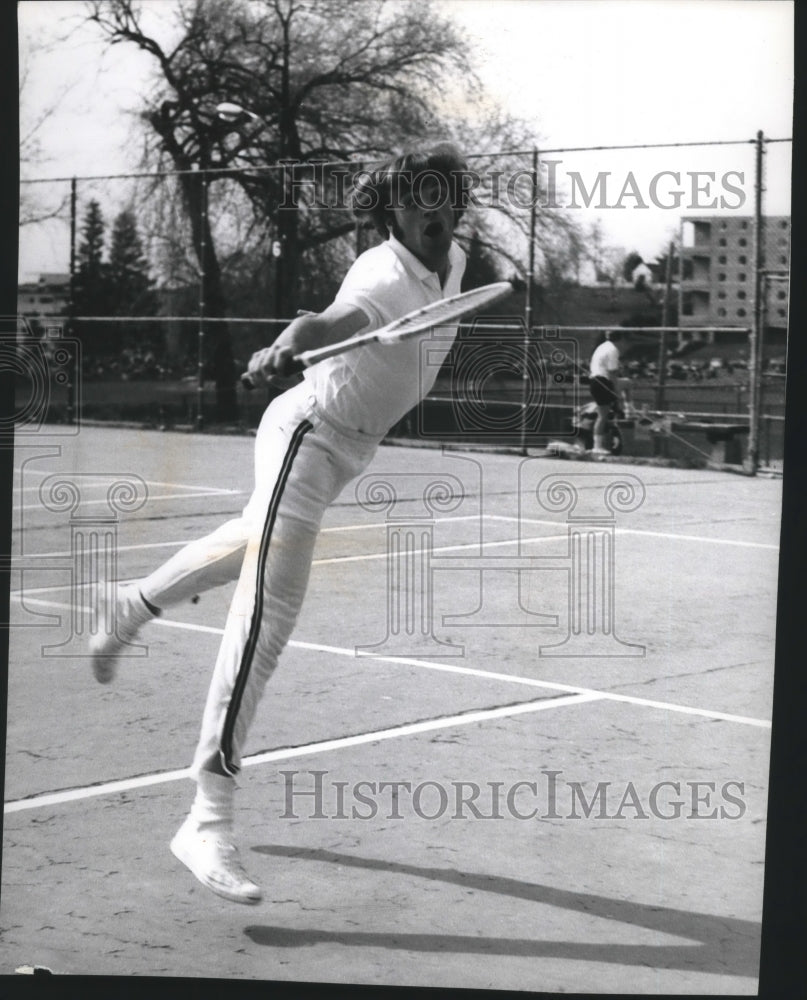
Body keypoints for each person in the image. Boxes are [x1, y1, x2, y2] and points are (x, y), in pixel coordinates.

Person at [89, 142, 471, 904]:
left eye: (448, 194)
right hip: (307, 436)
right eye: (421, 197)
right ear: (393, 206)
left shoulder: (452, 262)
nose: (437, 210)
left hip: (345, 450)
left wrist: (300, 344)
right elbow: (331, 320)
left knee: (247, 547)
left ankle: (130, 604)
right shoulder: (383, 273)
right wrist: (289, 344)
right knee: (267, 613)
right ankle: (206, 814)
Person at [587, 329, 626, 453]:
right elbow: (612, 372)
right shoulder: (613, 350)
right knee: (603, 416)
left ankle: (600, 444)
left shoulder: (602, 347)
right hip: (601, 381)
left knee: (605, 414)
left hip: (596, 381)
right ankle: (597, 447)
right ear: (620, 339)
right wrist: (617, 392)